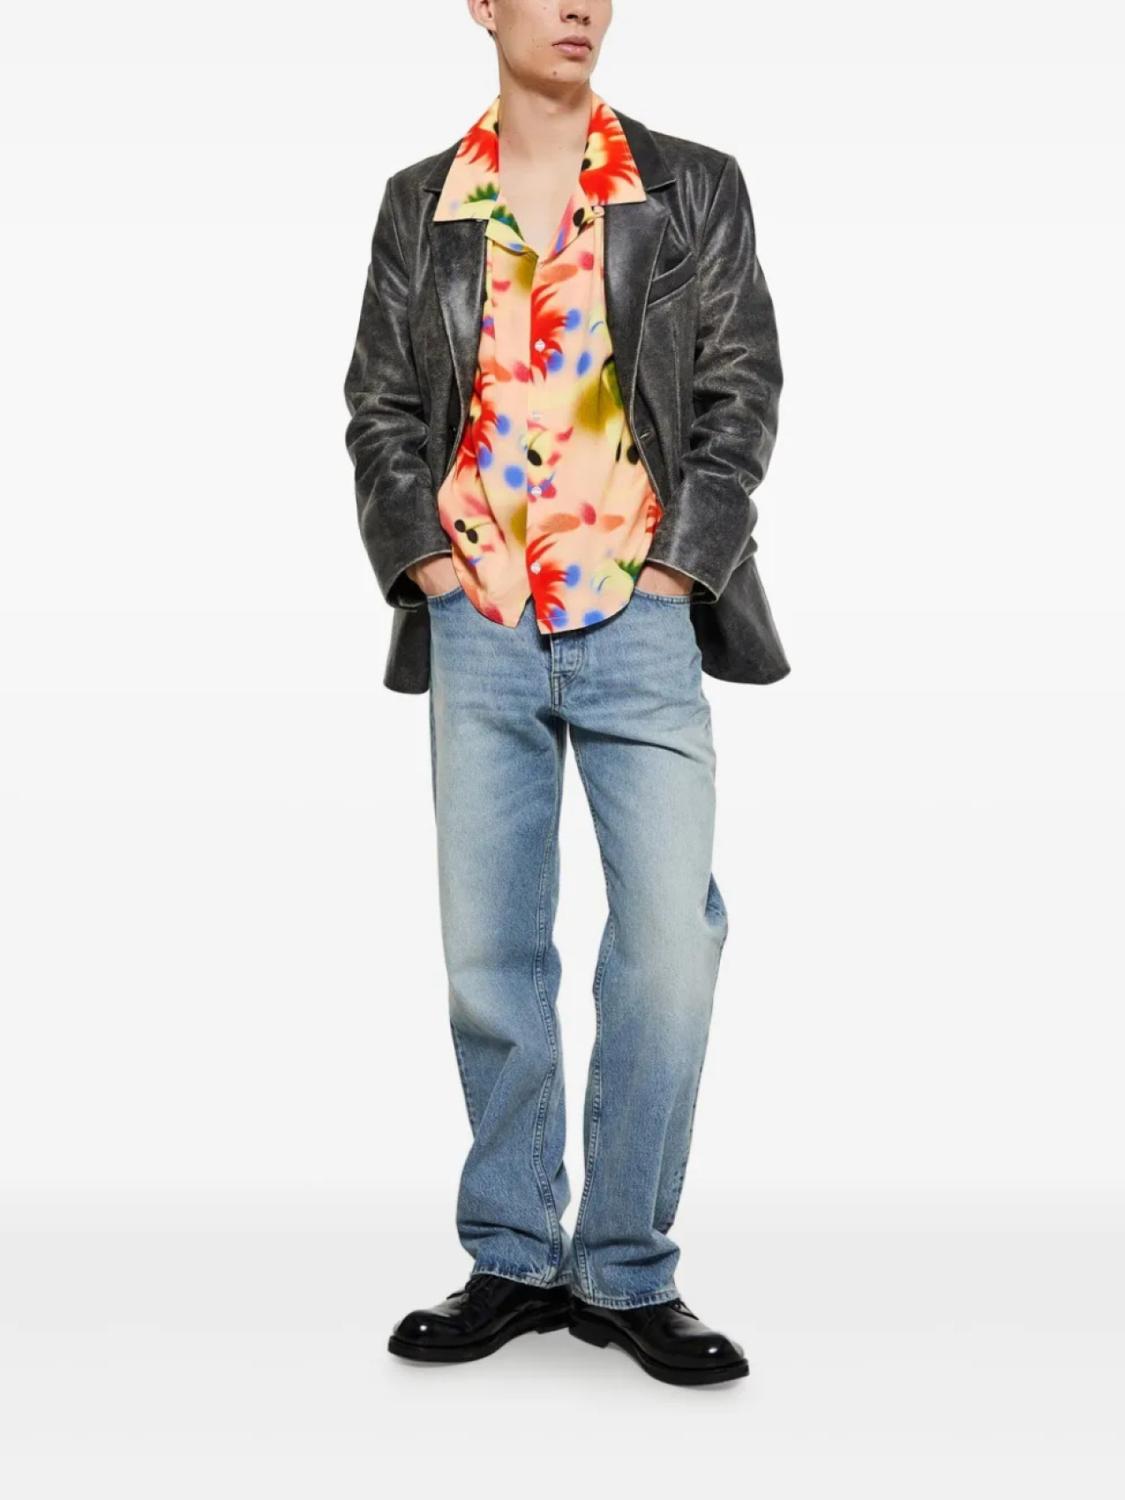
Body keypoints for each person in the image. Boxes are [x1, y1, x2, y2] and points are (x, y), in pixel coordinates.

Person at [343, 0, 787, 1388]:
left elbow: (739, 391)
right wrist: (423, 561)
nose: (580, 5)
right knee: (490, 954)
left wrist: (680, 567)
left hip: (640, 614)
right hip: (477, 619)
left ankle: (626, 1268)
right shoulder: (421, 203)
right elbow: (379, 407)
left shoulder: (690, 185)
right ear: (483, 4)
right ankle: (515, 1254)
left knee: (666, 943)